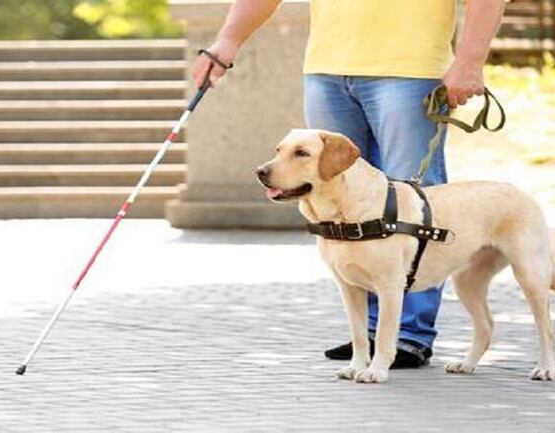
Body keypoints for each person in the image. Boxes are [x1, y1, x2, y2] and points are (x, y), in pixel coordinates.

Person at [192, 0, 505, 367]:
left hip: (409, 70)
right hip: (327, 70)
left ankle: (409, 334)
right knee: (342, 200)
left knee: (411, 204)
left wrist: (470, 60)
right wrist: (227, 41)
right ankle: (371, 334)